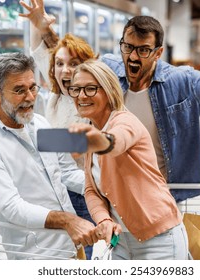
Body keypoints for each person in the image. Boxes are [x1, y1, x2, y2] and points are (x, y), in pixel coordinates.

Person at [20, 1, 200, 203]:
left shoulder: (181, 80)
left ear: (158, 52)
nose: (132, 56)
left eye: (143, 50)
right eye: (127, 47)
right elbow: (68, 59)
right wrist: (43, 29)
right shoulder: (108, 69)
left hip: (162, 191)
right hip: (115, 190)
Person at [0, 52, 98, 259]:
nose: (30, 97)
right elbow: (11, 207)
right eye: (19, 91)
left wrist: (107, 186)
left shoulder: (40, 122)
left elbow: (67, 172)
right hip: (36, 254)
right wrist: (67, 220)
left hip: (71, 245)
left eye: (32, 87)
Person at [67, 59, 188, 260]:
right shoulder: (92, 129)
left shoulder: (124, 121)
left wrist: (99, 141)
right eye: (76, 89)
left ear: (108, 91)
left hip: (159, 239)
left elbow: (117, 142)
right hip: (120, 242)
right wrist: (103, 219)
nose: (81, 96)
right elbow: (91, 190)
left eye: (90, 89)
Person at [19, 0, 98, 259]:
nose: (66, 70)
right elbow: (39, 52)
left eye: (74, 64)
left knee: (88, 256)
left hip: (86, 195)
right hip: (59, 191)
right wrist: (37, 23)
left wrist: (28, 139)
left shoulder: (90, 102)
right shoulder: (58, 94)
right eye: (60, 64)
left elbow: (81, 146)